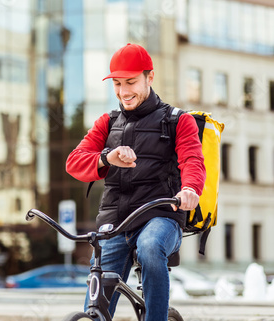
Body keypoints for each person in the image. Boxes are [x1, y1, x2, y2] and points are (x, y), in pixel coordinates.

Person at [65, 43, 206, 321]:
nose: (123, 91)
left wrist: (190, 189)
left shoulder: (178, 120)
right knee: (99, 289)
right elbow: (74, 162)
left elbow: (192, 161)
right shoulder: (107, 123)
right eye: (117, 83)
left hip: (161, 217)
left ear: (149, 77)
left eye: (131, 82)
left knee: (151, 246)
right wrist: (107, 158)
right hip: (115, 221)